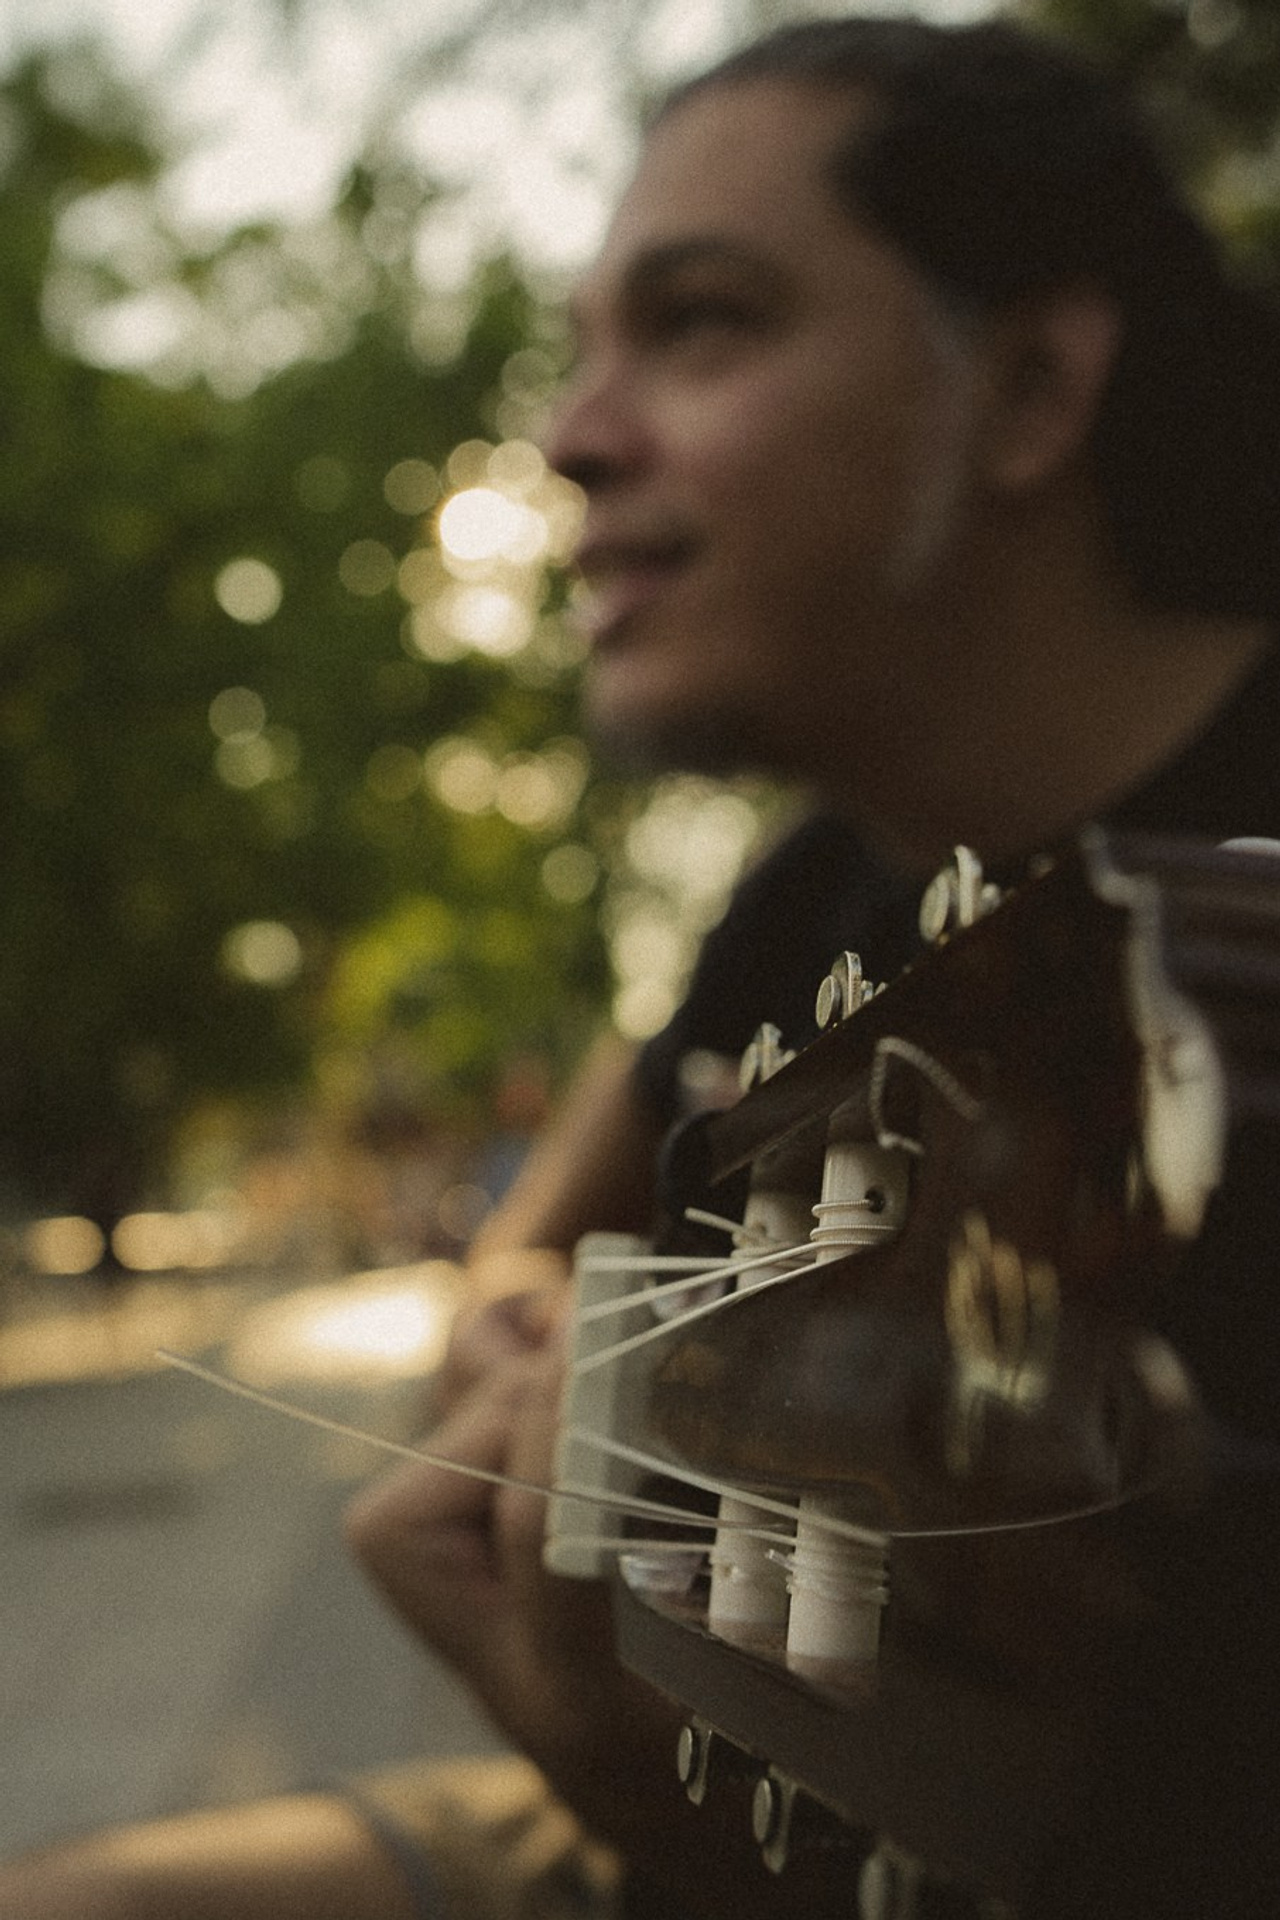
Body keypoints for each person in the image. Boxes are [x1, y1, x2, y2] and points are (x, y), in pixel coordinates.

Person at [5, 14, 1280, 1918]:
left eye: (702, 322)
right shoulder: (813, 892)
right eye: (585, 343)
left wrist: (651, 1804)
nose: (574, 435)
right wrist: (543, 1353)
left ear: (1030, 386)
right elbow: (536, 1252)